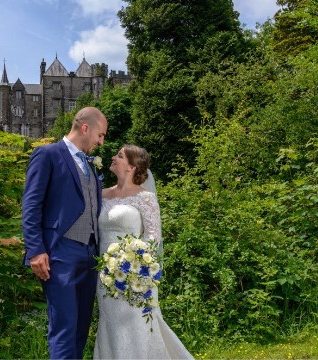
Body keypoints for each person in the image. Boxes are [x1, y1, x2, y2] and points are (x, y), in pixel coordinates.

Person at [22, 106, 108, 359]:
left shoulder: (90, 164)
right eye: (100, 135)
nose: (101, 141)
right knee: (63, 328)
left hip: (90, 255)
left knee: (81, 328)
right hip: (61, 253)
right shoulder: (47, 154)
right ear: (85, 128)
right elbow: (31, 204)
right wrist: (36, 250)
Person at [94, 144, 194, 359]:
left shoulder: (145, 197)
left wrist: (134, 264)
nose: (113, 157)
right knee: (110, 324)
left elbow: (152, 236)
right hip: (105, 275)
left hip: (135, 275)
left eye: (119, 156)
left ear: (131, 166)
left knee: (137, 324)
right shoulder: (101, 195)